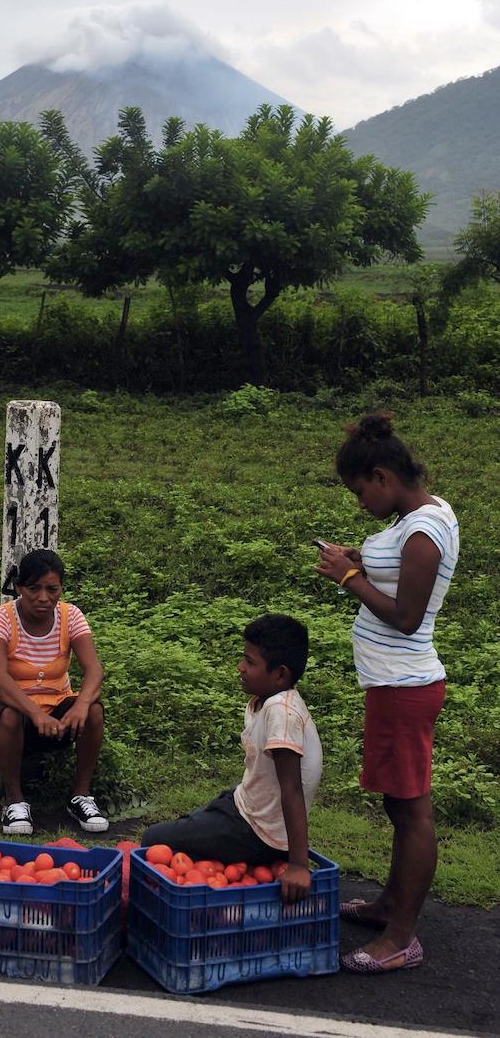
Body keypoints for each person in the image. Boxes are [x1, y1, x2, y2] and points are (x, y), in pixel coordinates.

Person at [314, 411, 459, 975]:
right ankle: (389, 906)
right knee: (398, 806)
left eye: (359, 492)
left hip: (405, 684)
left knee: (411, 809)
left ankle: (402, 937)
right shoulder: (421, 515)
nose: (360, 503)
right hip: (392, 685)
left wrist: (349, 579)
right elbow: (393, 572)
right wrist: (361, 559)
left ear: (381, 475)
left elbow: (404, 616)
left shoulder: (423, 532)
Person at [142, 614, 322, 904]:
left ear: (280, 674)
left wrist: (299, 864)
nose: (240, 667)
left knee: (154, 841)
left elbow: (292, 789)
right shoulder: (267, 700)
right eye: (243, 658)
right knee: (191, 825)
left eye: (250, 663)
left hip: (257, 832)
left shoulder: (281, 713)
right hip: (242, 806)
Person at [0, 548, 109, 836]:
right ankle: (15, 801)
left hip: (55, 706)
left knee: (94, 711)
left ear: (60, 589)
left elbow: (94, 669)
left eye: (52, 589)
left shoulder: (71, 616)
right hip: (2, 710)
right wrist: (35, 713)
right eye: (33, 588)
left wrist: (81, 705)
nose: (43, 597)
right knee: (10, 716)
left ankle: (80, 795)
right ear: (19, 587)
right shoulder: (0, 618)